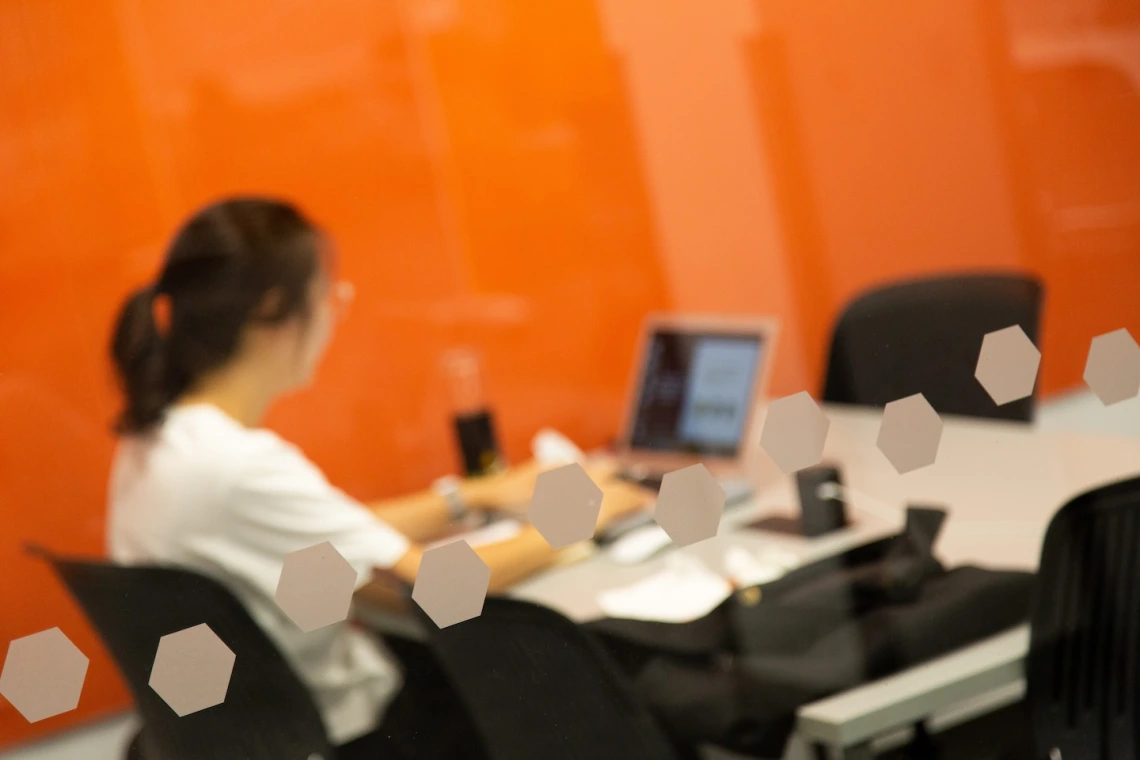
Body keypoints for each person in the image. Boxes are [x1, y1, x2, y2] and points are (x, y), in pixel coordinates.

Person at [105, 197, 650, 759]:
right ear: (274, 310)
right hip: (348, 738)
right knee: (570, 700)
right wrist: (584, 514)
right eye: (329, 297)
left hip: (240, 737)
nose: (335, 316)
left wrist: (472, 496)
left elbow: (326, 527)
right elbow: (442, 585)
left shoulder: (160, 440)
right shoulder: (238, 467)